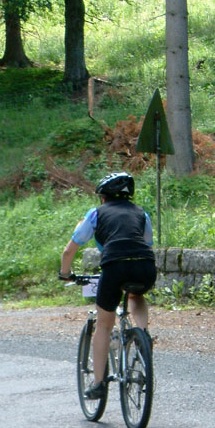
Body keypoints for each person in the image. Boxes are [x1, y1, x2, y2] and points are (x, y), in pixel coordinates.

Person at [59, 171, 156, 399]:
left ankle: (99, 383)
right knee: (135, 295)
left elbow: (68, 250)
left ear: (103, 197)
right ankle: (142, 335)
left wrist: (65, 274)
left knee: (103, 325)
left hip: (114, 267)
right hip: (145, 265)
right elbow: (147, 242)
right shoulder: (143, 214)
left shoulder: (96, 214)